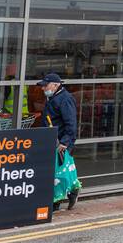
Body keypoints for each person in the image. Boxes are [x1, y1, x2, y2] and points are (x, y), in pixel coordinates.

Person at [37, 73, 81, 211]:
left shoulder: (65, 99)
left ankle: (56, 202)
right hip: (52, 140)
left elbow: (71, 123)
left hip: (60, 142)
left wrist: (65, 142)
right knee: (59, 172)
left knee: (57, 173)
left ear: (56, 85)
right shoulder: (53, 97)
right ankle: (71, 192)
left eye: (46, 85)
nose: (43, 88)